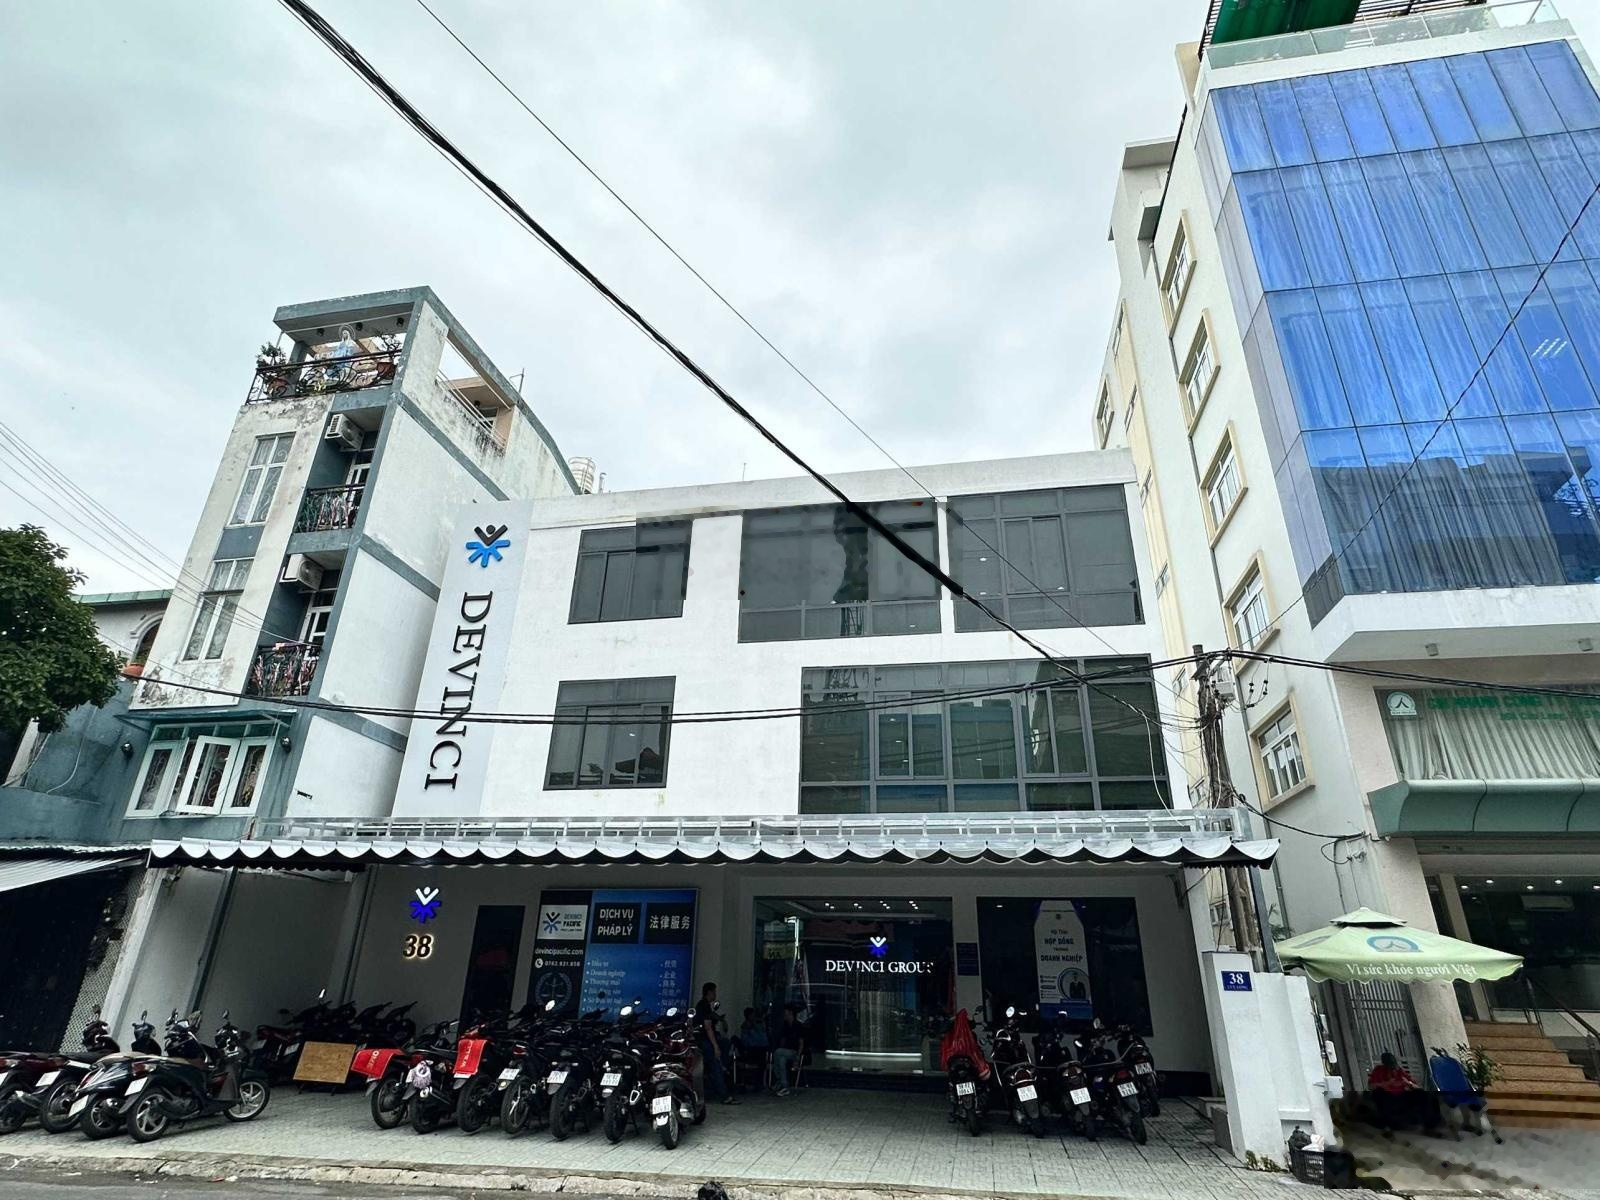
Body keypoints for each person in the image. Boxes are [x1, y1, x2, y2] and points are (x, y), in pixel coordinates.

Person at [1367, 1052, 1437, 1135]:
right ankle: (1386, 1126)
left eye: (1394, 1066)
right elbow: (1371, 1086)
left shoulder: (1400, 1071)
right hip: (1388, 1099)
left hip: (1401, 1099)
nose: (1393, 1069)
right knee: (1378, 1093)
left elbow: (1417, 1087)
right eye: (1390, 1067)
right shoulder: (1378, 1070)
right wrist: (1384, 1084)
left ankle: (1429, 1127)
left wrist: (1408, 1083)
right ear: (1384, 1065)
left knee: (1421, 1094)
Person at [696, 982, 736, 1105]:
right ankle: (724, 1095)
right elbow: (708, 1028)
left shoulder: (705, 1006)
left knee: (726, 1043)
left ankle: (723, 1064)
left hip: (705, 1040)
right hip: (705, 1041)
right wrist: (715, 1046)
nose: (715, 994)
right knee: (715, 1066)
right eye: (714, 992)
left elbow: (712, 1015)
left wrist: (720, 1019)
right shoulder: (703, 1006)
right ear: (709, 992)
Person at [772, 1006, 806, 1097]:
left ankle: (778, 1078)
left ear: (790, 1013)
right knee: (781, 1060)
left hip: (794, 1051)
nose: (784, 1015)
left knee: (777, 1052)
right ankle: (784, 1085)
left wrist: (798, 1056)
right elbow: (783, 1040)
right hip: (785, 1051)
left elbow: (801, 1043)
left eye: (785, 1013)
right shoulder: (786, 1025)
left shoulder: (798, 1026)